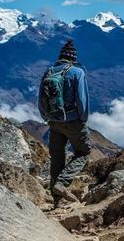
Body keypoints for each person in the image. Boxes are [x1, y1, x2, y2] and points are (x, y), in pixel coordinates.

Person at [38, 39, 90, 205]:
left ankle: (56, 200)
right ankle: (62, 182)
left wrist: (46, 117)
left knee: (57, 159)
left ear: (60, 57)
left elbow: (40, 99)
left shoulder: (49, 72)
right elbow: (82, 100)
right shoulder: (77, 72)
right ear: (73, 58)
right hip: (73, 120)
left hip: (53, 122)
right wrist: (82, 119)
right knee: (83, 152)